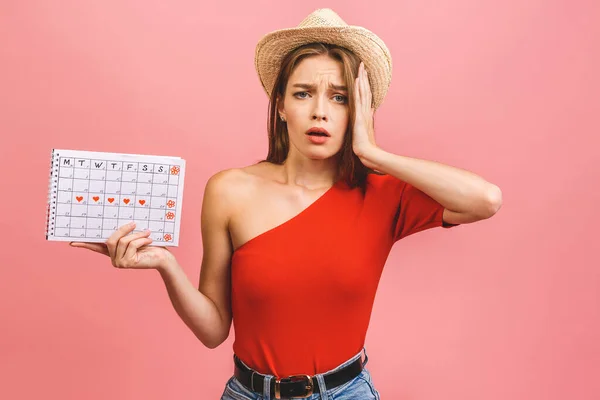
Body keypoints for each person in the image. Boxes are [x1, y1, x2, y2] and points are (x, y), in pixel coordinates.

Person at [70, 8, 502, 400]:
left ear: (358, 112)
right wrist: (165, 264)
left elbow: (485, 199)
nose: (320, 111)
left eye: (339, 97)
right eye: (302, 94)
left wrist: (374, 154)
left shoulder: (383, 193)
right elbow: (213, 329)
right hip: (247, 392)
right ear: (279, 106)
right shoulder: (228, 190)